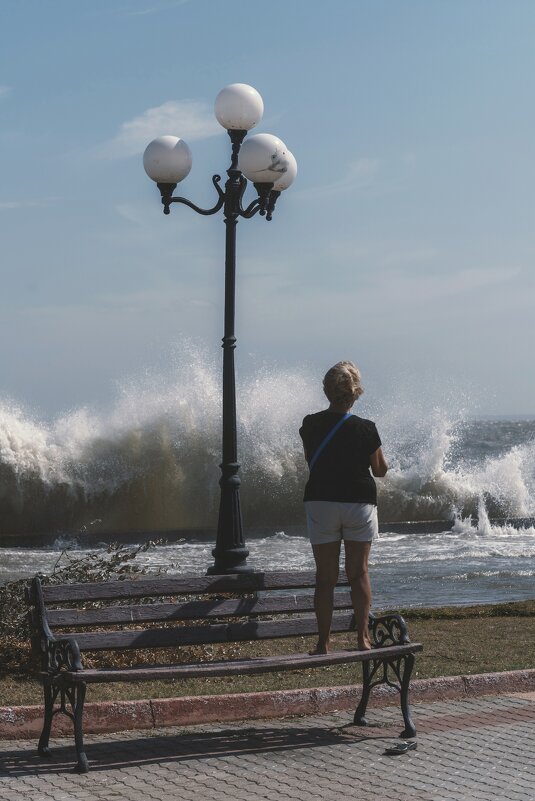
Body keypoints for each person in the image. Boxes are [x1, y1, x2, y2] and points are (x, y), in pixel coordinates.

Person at [299, 361, 388, 654]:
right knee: (359, 573)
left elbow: (311, 459)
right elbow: (380, 470)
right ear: (355, 392)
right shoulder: (366, 428)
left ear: (327, 391)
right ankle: (362, 639)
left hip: (321, 500)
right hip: (359, 502)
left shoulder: (310, 424)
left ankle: (323, 643)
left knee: (325, 577)